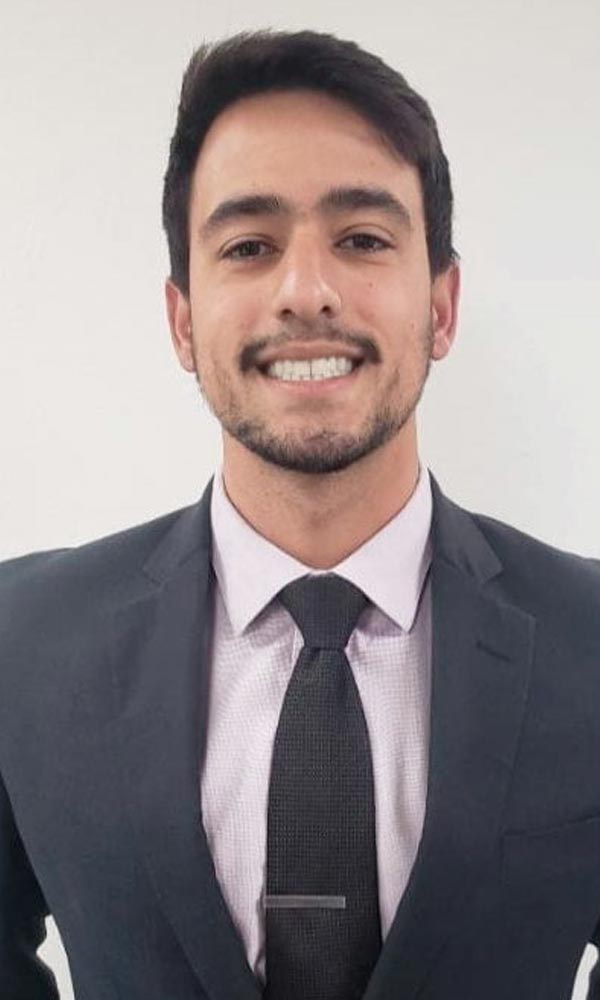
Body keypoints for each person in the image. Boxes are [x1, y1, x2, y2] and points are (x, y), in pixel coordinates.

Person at [0, 28, 599, 1000]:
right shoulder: (21, 638)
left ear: (442, 306)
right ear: (182, 320)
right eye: (249, 246)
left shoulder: (590, 639)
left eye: (362, 239)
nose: (306, 292)